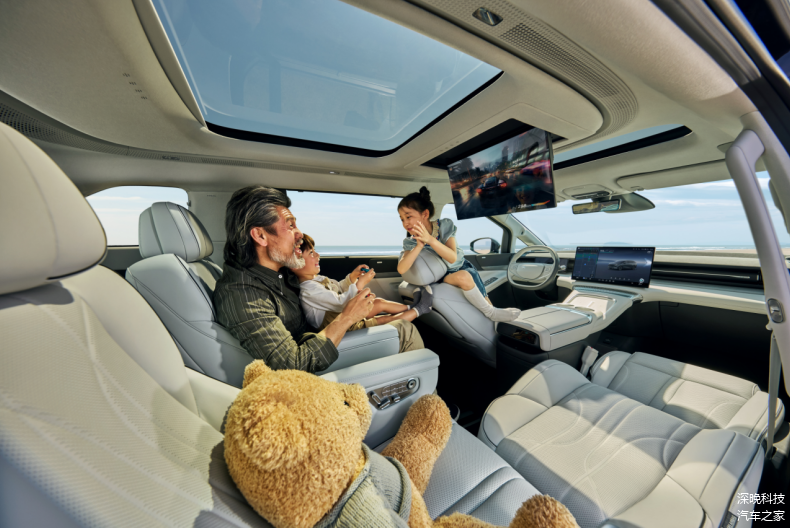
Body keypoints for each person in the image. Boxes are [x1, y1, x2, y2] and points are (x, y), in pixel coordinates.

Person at [214, 185, 424, 373]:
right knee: (404, 331)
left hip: (314, 338)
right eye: (290, 226)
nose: (299, 233)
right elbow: (293, 364)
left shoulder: (279, 271)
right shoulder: (243, 294)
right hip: (308, 367)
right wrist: (347, 318)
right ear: (260, 236)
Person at [396, 186, 521, 322]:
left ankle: (492, 314)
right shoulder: (410, 242)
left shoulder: (444, 226)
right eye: (402, 219)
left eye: (408, 217)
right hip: (442, 276)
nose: (405, 223)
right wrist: (419, 245)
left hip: (461, 266)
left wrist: (430, 240)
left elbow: (452, 257)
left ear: (425, 214)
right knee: (464, 277)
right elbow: (402, 269)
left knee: (473, 280)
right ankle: (491, 313)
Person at [294, 234, 434, 335]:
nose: (317, 255)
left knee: (378, 302)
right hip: (339, 324)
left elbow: (339, 289)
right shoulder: (309, 290)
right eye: (311, 253)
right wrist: (360, 283)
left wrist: (352, 277)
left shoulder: (317, 279)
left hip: (342, 314)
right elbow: (341, 303)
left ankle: (411, 306)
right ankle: (420, 309)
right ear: (297, 263)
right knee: (384, 319)